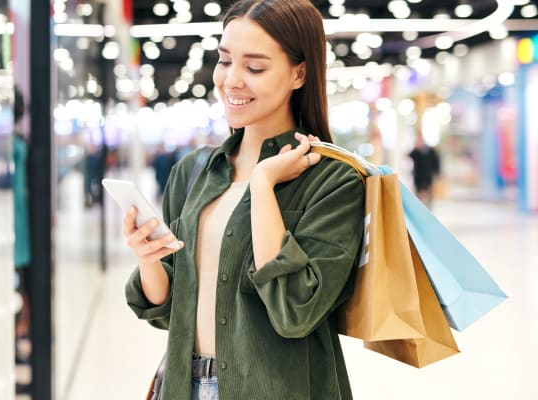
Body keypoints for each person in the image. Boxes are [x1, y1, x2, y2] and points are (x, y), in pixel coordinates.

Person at [122, 1, 366, 399]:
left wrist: (263, 183)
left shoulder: (334, 181)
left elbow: (294, 311)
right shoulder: (193, 171)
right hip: (185, 387)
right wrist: (149, 259)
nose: (231, 80)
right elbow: (168, 313)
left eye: (254, 67)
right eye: (224, 60)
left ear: (298, 73)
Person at [409, 132, 441, 209]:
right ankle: (419, 207)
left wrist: (437, 173)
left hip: (428, 176)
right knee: (419, 193)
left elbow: (436, 163)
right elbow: (410, 155)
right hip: (418, 176)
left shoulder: (431, 151)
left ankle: (429, 207)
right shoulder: (416, 152)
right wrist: (415, 147)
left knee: (428, 192)